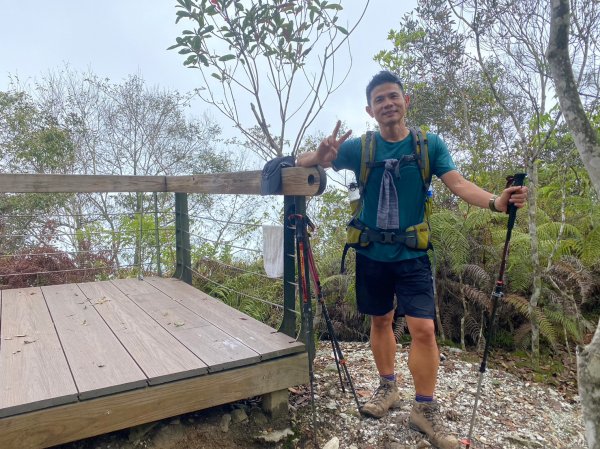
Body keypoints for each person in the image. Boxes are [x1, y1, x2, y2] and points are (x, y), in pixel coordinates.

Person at [296, 71, 528, 449]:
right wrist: (319, 158)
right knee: (381, 319)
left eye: (393, 97)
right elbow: (308, 161)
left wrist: (495, 202)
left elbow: (458, 183)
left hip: (412, 254)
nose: (387, 104)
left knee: (423, 328)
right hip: (371, 252)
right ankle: (387, 387)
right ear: (370, 111)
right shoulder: (360, 147)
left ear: (406, 101)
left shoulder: (428, 145)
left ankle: (424, 408)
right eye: (379, 100)